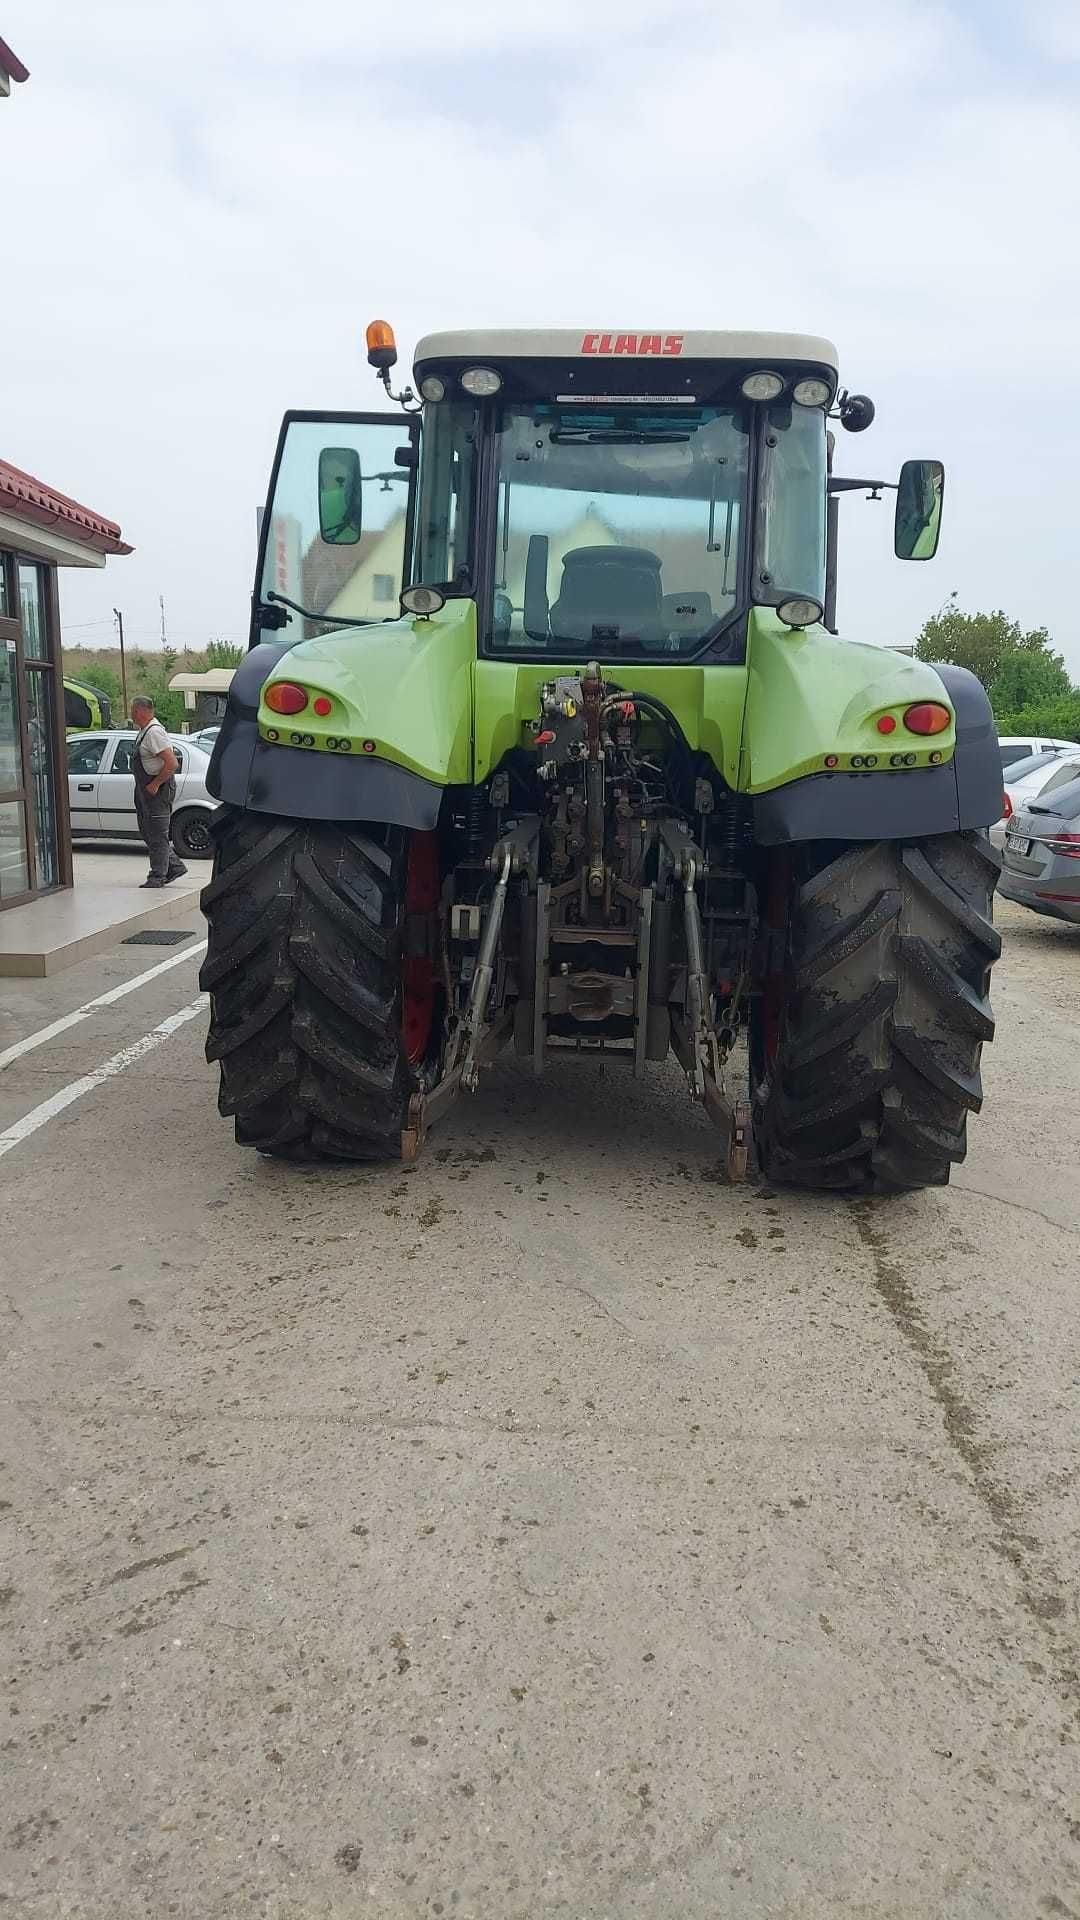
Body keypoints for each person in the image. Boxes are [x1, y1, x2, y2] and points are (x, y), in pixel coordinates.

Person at [129, 695, 187, 888]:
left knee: (157, 834)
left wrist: (155, 784)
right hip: (145, 791)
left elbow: (172, 763)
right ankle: (174, 866)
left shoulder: (154, 733)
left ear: (139, 711)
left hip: (158, 791)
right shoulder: (144, 732)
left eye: (133, 711)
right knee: (148, 831)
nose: (132, 715)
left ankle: (157, 877)